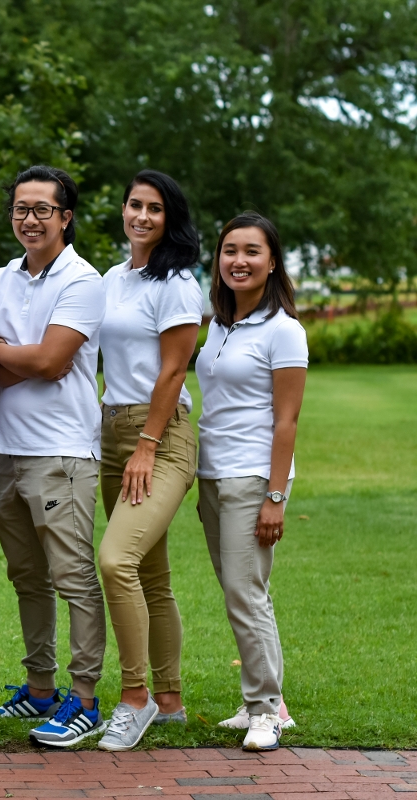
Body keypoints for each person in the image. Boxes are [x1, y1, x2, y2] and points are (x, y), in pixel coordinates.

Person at [0, 166, 108, 747]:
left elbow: (53, 362)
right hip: (8, 449)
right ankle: (39, 689)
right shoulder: (0, 278)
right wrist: (12, 359)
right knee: (26, 577)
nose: (29, 219)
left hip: (63, 453)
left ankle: (85, 700)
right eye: (20, 209)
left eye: (42, 209)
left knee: (73, 577)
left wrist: (5, 353)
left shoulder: (83, 280)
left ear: (65, 217)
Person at [93, 171, 202, 751]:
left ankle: (133, 698)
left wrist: (148, 444)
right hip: (112, 429)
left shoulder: (178, 282)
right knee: (150, 575)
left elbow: (173, 370)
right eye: (133, 204)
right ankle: (170, 701)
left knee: (116, 560)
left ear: (170, 217)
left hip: (160, 436)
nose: (140, 216)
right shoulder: (114, 278)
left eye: (154, 208)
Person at [196, 212, 307, 752]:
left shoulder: (284, 330)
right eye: (229, 250)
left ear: (271, 262)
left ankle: (267, 710)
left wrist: (275, 496)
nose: (239, 261)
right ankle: (259, 702)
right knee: (241, 591)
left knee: (246, 593)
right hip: (212, 475)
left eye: (252, 252)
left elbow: (286, 421)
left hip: (252, 478)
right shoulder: (218, 324)